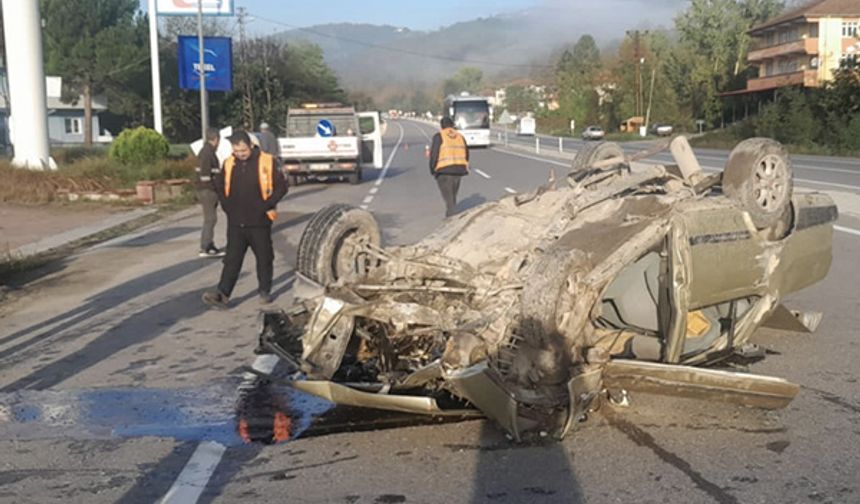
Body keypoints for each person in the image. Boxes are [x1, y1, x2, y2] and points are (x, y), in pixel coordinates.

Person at [202, 130, 287, 309]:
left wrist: (267, 204)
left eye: (243, 150)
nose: (240, 154)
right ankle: (222, 294)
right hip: (236, 221)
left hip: (260, 221)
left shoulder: (267, 161)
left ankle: (265, 291)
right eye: (236, 150)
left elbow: (282, 186)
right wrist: (226, 206)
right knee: (232, 259)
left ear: (250, 145)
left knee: (264, 258)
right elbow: (219, 184)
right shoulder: (229, 163)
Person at [429, 116, 469, 217]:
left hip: (444, 171)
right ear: (452, 125)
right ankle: (451, 214)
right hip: (459, 170)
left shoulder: (439, 136)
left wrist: (432, 169)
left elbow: (434, 154)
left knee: (449, 198)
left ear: (441, 126)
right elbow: (467, 153)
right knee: (452, 196)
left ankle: (452, 219)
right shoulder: (460, 136)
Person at [196, 127, 225, 257]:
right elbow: (205, 176)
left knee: (211, 219)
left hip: (207, 190)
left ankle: (209, 244)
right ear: (216, 139)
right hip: (208, 191)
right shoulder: (207, 154)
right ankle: (205, 247)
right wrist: (215, 189)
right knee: (210, 219)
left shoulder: (206, 152)